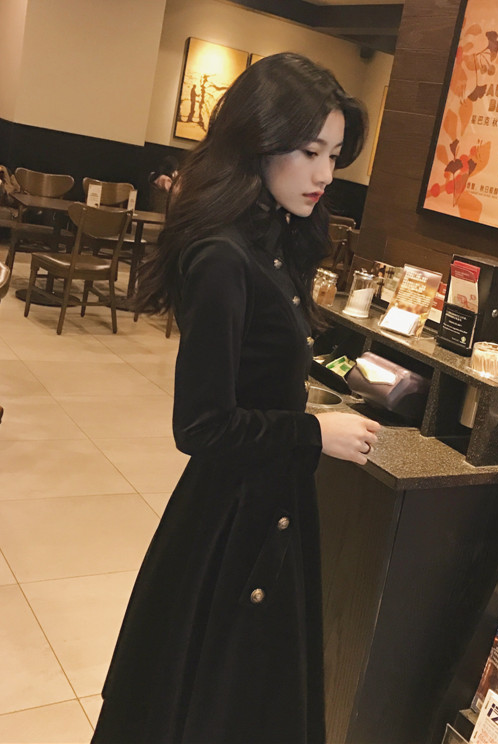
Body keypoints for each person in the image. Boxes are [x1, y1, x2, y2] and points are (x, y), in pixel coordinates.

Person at [91, 53, 380, 744]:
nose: (324, 174)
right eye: (309, 151)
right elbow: (201, 425)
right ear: (260, 141)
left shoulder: (275, 240)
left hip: (271, 503)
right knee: (212, 704)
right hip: (231, 520)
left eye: (334, 155)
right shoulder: (224, 256)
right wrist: (315, 433)